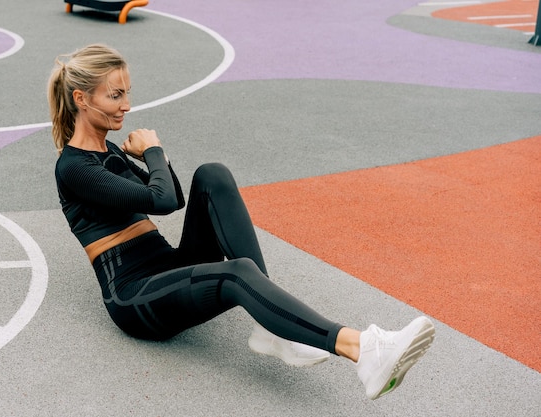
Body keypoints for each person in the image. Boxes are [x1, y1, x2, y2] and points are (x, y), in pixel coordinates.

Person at [47, 44, 435, 400]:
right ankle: (362, 349)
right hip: (134, 294)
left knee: (212, 174)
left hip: (166, 264)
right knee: (237, 274)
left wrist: (152, 158)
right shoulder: (74, 167)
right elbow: (161, 200)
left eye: (127, 93)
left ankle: (273, 327)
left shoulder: (108, 149)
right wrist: (153, 152)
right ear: (81, 99)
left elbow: (177, 197)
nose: (127, 105)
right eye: (115, 95)